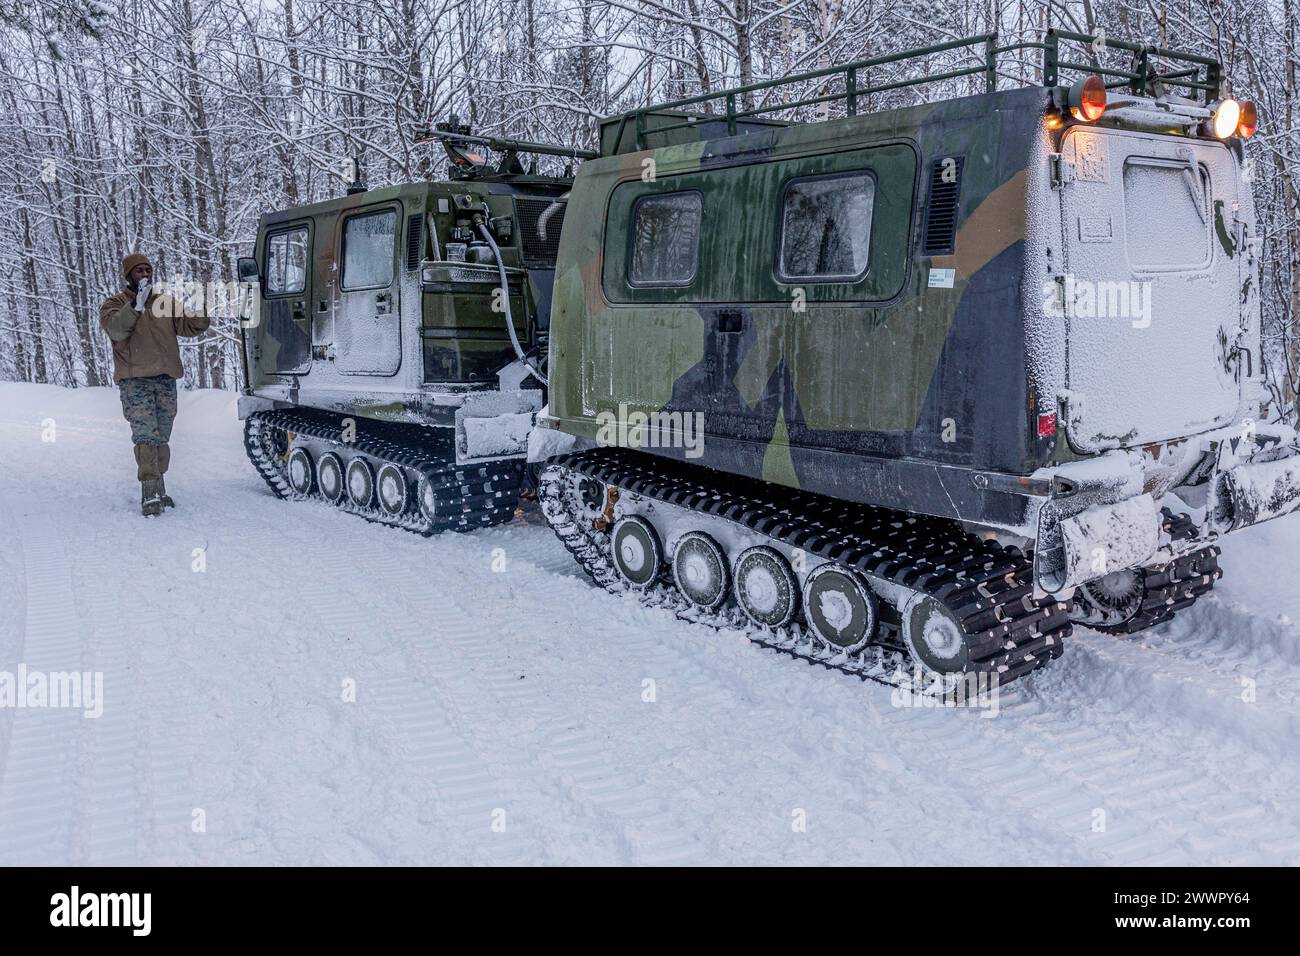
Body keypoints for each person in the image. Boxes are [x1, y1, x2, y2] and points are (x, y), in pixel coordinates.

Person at [99, 253, 210, 516]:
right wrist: (135, 307)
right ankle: (149, 494)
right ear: (128, 276)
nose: (145, 274)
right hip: (135, 380)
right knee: (146, 436)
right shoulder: (114, 304)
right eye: (139, 271)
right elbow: (116, 330)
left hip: (165, 379)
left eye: (148, 270)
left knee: (162, 436)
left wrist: (201, 300)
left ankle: (160, 488)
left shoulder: (164, 303)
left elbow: (193, 326)